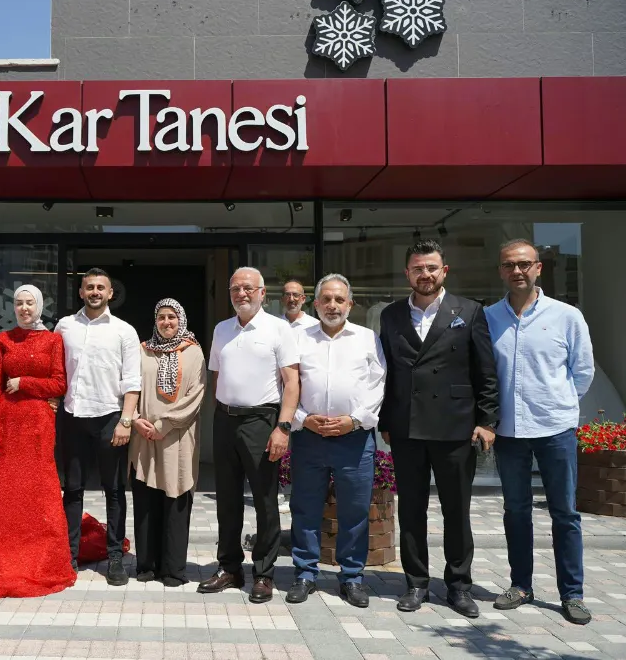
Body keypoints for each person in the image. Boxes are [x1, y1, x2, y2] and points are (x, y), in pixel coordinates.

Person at [378, 240, 499, 618]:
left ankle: (459, 585)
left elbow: (486, 371)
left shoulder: (470, 311)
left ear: (444, 271)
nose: (425, 274)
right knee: (411, 510)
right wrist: (385, 420)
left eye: (431, 267)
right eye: (418, 268)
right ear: (407, 273)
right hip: (407, 427)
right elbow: (387, 373)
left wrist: (487, 420)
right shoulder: (391, 315)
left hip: (455, 426)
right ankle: (416, 583)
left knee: (456, 511)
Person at [485, 239, 595, 625]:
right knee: (515, 511)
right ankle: (520, 585)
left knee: (564, 512)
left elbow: (583, 371)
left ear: (538, 268)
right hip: (509, 432)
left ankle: (572, 594)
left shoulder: (567, 316)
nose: (517, 271)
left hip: (555, 429)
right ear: (501, 271)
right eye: (509, 265)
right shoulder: (489, 318)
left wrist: (558, 404)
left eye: (524, 264)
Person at [0, 285, 76, 598]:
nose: (24, 308)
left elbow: (59, 384)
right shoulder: (3, 340)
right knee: (6, 490)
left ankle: (39, 557)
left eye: (29, 303)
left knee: (37, 490)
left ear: (39, 306)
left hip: (38, 425)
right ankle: (1, 555)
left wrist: (24, 382)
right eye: (19, 303)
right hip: (8, 425)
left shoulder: (53, 340)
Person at [198, 267, 300, 604]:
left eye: (248, 288)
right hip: (225, 419)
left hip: (262, 420)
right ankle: (229, 568)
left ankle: (264, 573)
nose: (241, 294)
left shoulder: (279, 329)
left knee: (265, 502)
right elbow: (217, 376)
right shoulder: (222, 329)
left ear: (262, 293)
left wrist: (283, 427)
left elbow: (292, 383)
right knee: (227, 500)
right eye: (235, 289)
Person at [286, 274, 386, 609]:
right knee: (305, 507)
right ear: (315, 303)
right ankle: (304, 573)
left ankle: (352, 577)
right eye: (326, 299)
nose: (332, 305)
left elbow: (378, 384)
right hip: (309, 437)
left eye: (339, 299)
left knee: (355, 510)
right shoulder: (298, 339)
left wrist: (353, 420)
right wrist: (303, 418)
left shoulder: (367, 338)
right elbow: (287, 383)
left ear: (350, 304)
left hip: (354, 439)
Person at [56, 268, 142, 586]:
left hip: (110, 419)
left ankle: (115, 557)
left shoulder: (124, 331)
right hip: (72, 417)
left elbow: (132, 381)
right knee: (72, 489)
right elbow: (54, 370)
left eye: (100, 287)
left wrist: (126, 421)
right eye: (89, 287)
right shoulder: (65, 326)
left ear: (110, 293)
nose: (94, 292)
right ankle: (69, 556)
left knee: (114, 491)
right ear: (81, 292)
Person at [130, 298, 206, 587]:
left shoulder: (194, 351)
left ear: (181, 320)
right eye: (161, 317)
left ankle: (173, 569)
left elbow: (195, 395)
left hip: (177, 437)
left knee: (175, 498)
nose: (166, 322)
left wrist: (164, 425)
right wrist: (135, 419)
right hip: (144, 436)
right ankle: (146, 565)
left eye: (172, 317)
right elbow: (129, 386)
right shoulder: (142, 350)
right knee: (146, 499)